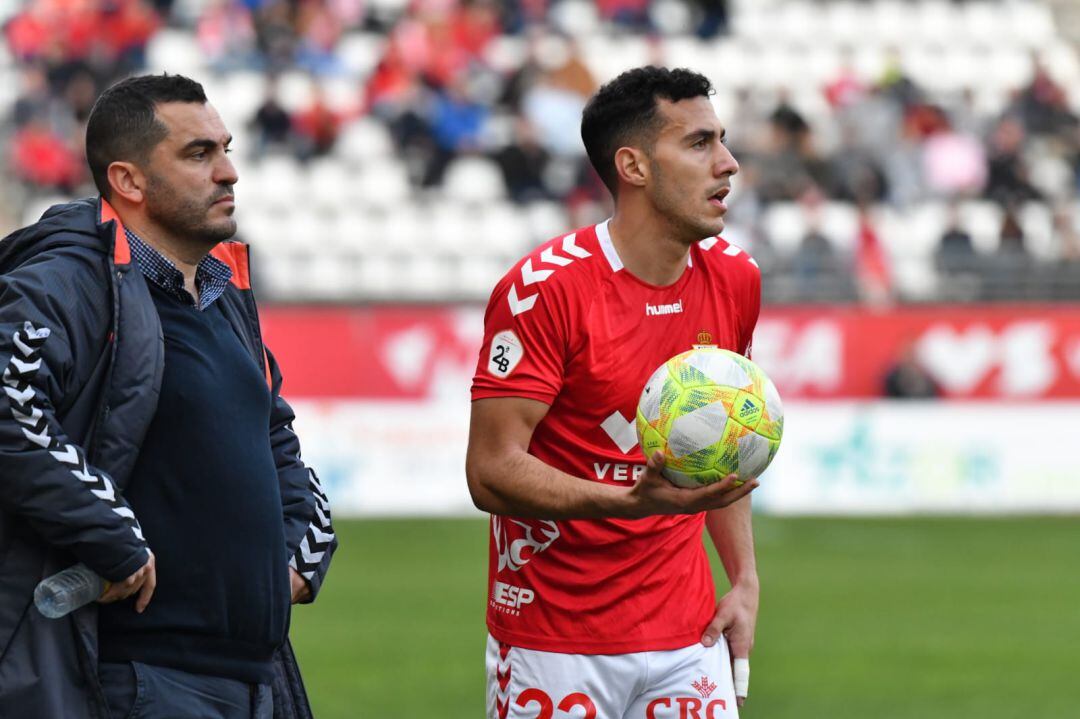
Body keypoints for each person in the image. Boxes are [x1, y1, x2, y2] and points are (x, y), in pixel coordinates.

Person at [0, 74, 336, 719]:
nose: (229, 172)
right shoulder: (62, 283)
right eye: (198, 154)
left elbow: (277, 437)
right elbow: (10, 414)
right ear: (128, 181)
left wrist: (300, 550)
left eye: (226, 148)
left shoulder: (223, 293)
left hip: (255, 675)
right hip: (141, 680)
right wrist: (114, 537)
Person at [467, 66, 761, 719]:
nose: (728, 163)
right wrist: (628, 501)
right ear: (633, 166)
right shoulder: (544, 290)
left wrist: (742, 576)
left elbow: (723, 446)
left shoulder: (737, 278)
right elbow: (490, 472)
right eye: (699, 143)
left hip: (690, 635)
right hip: (554, 638)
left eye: (723, 141)